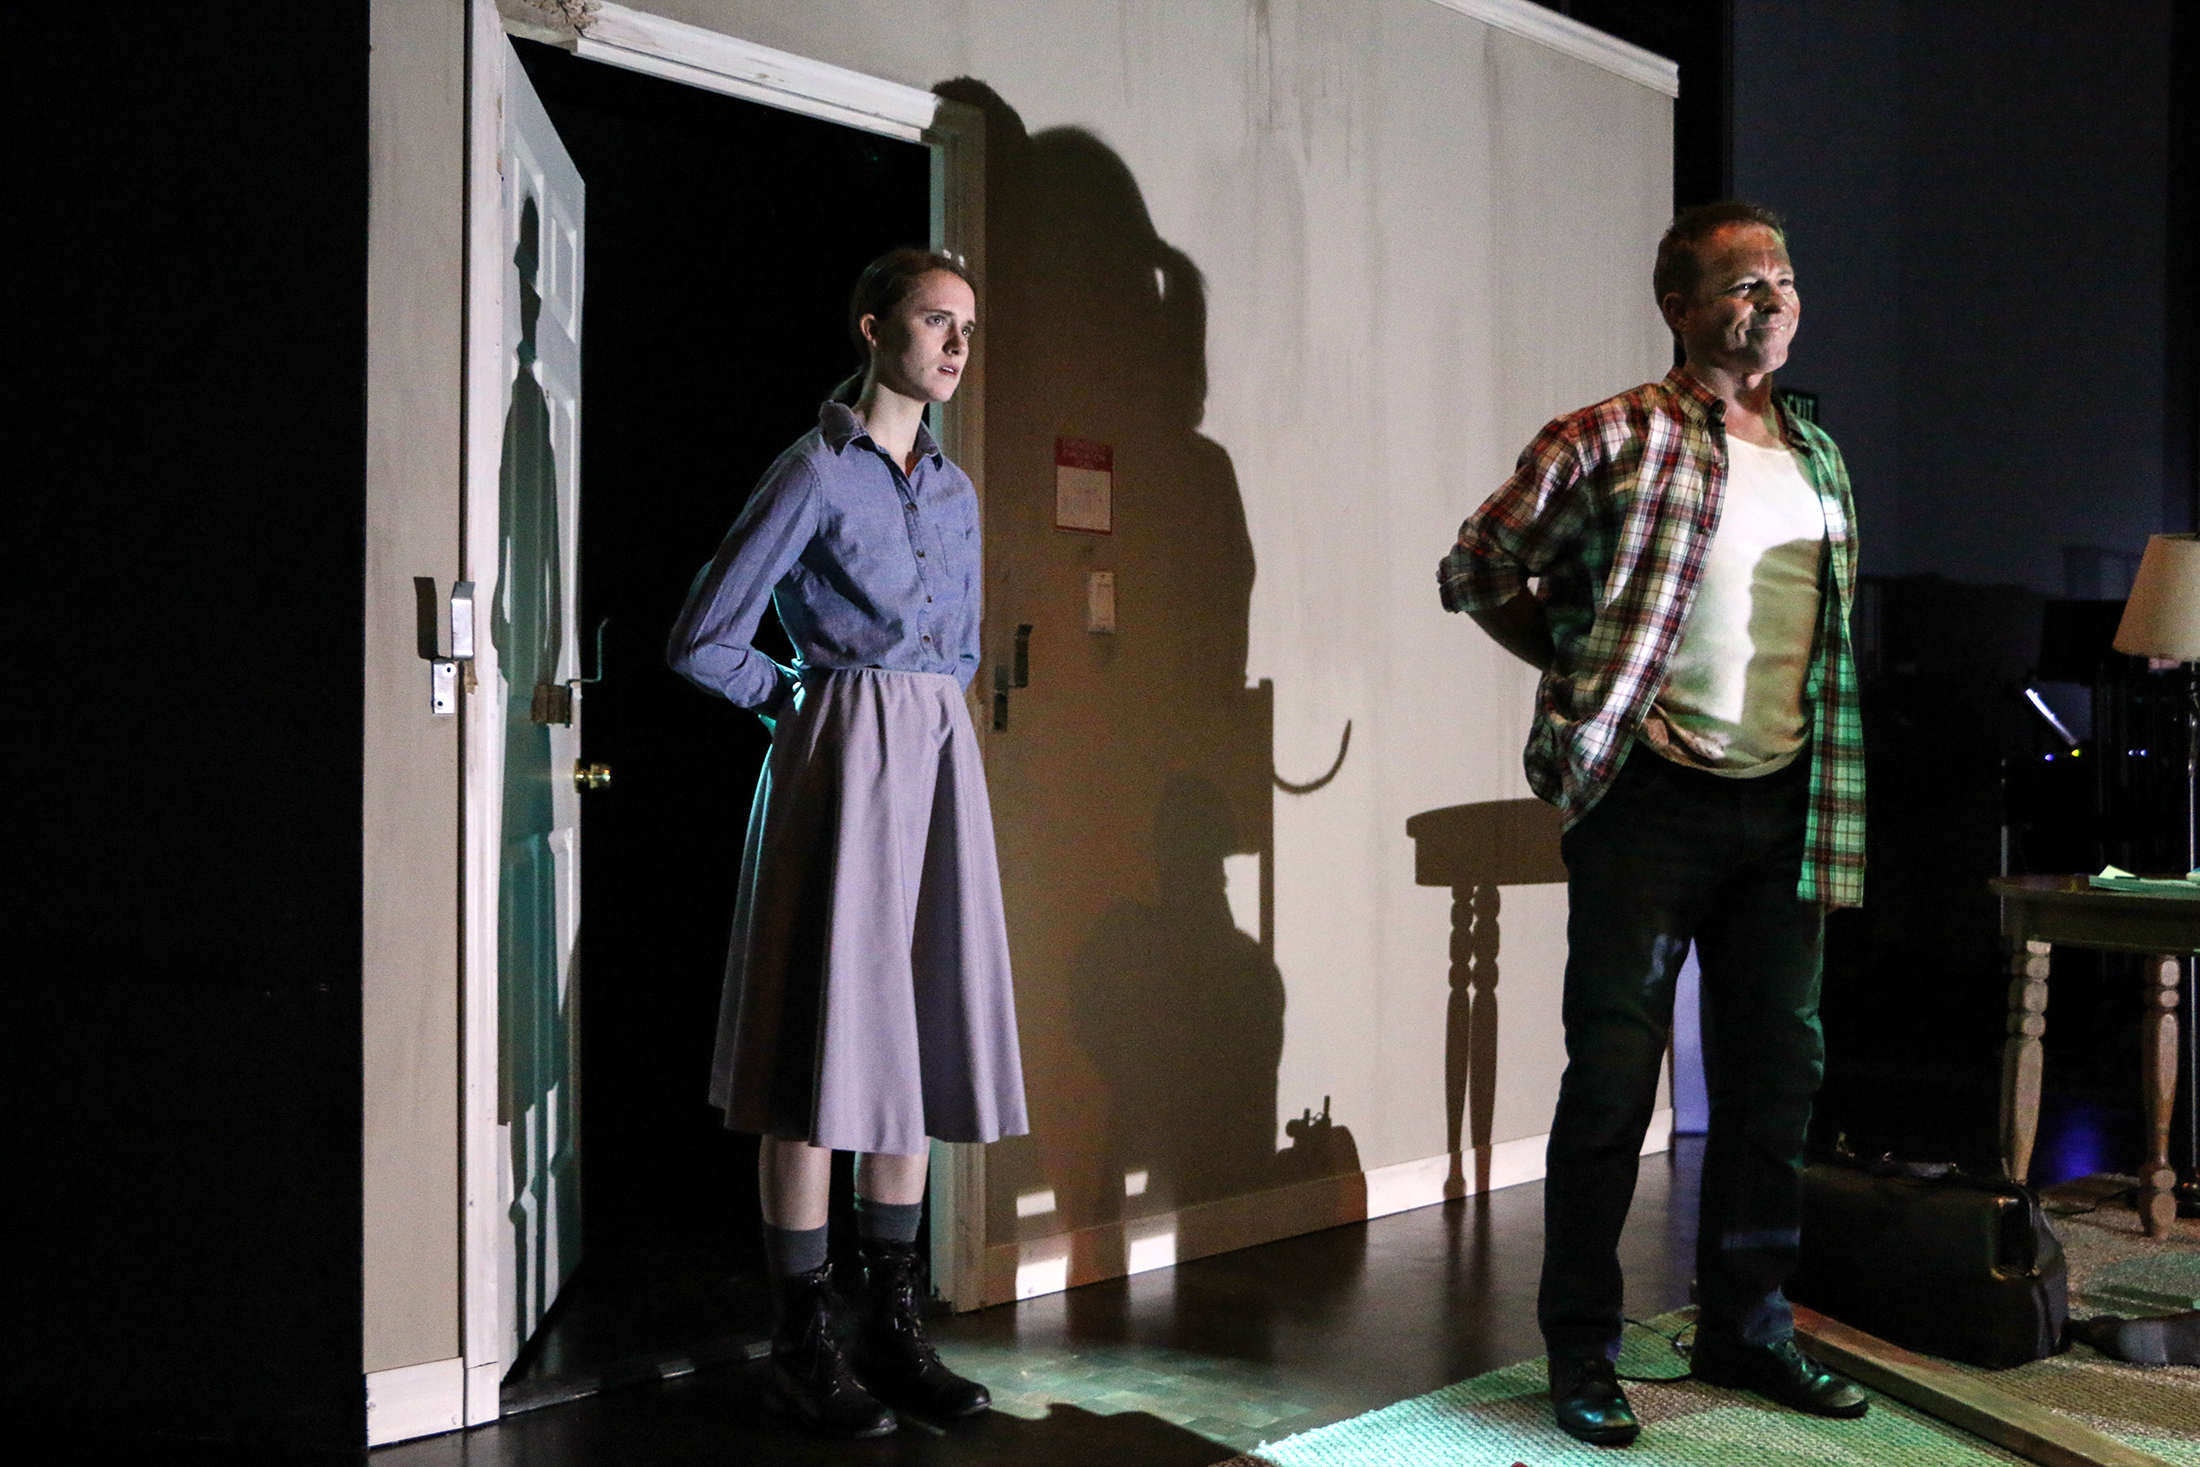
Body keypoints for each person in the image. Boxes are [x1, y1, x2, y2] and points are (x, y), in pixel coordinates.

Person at [1438, 202, 1870, 1447]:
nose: (1772, 299)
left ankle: (1747, 1327)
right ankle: (1582, 1349)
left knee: (1776, 1079)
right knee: (1614, 1079)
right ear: (1679, 309)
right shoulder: (1610, 433)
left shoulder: (1819, 455)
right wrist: (1584, 674)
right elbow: (1476, 567)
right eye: (1743, 283)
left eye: (1782, 278)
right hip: (1649, 798)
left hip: (1786, 802)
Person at [668, 248, 1028, 1438]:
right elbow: (704, 635)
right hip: (844, 767)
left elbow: (957, 648)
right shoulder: (813, 472)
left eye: (968, 327)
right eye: (935, 321)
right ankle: (803, 1340)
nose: (956, 346)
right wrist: (797, 701)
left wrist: (922, 721)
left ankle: (893, 1330)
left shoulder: (956, 490)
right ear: (874, 330)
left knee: (906, 1046)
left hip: (935, 764)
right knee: (816, 1053)